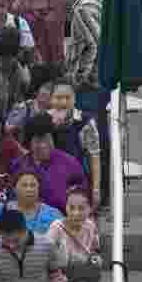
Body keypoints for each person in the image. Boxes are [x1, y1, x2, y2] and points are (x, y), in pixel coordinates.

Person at [45, 0, 107, 193]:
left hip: (91, 85)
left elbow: (95, 45)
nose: (57, 8)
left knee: (92, 142)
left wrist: (78, 79)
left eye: (56, 2)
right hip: (100, 82)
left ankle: (95, 190)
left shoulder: (81, 9)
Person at [10, 113, 88, 214]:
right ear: (29, 142)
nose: (43, 145)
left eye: (47, 139)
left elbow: (83, 193)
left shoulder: (69, 163)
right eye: (38, 141)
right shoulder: (18, 165)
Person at [46, 187, 100, 282]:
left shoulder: (90, 226)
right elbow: (46, 256)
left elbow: (94, 250)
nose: (76, 213)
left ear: (89, 209)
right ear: (66, 207)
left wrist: (94, 262)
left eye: (81, 208)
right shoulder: (56, 228)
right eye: (71, 208)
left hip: (81, 280)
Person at [48, 80, 102, 209]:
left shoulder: (86, 122)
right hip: (49, 180)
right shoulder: (43, 119)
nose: (63, 102)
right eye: (58, 98)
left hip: (76, 181)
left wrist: (96, 189)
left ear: (74, 99)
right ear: (51, 99)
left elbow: (94, 157)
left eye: (67, 98)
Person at [0, 168, 63, 237]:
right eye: (24, 185)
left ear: (39, 189)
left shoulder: (53, 214)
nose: (29, 189)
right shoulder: (1, 209)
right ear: (14, 189)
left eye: (33, 185)